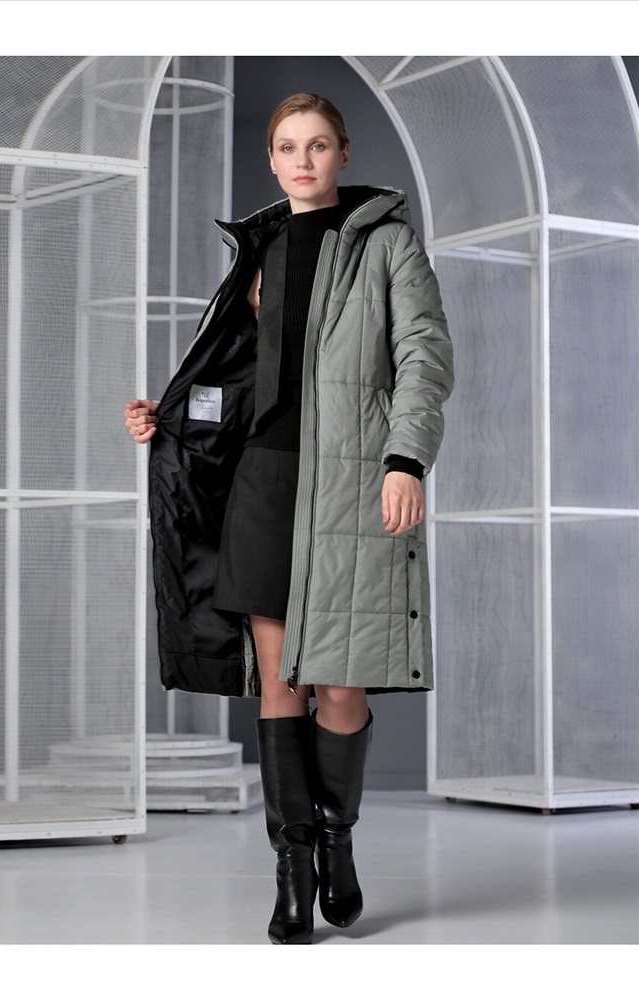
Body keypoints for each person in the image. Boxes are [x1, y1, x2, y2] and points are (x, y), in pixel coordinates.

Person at [125, 93, 454, 945]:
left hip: (350, 480)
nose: (301, 160)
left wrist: (404, 458)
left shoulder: (387, 244)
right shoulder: (259, 250)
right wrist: (167, 418)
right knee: (279, 680)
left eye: (316, 145)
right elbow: (235, 379)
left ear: (343, 153)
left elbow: (423, 355)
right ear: (271, 159)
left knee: (338, 681)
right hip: (263, 482)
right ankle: (293, 866)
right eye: (285, 147)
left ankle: (337, 838)